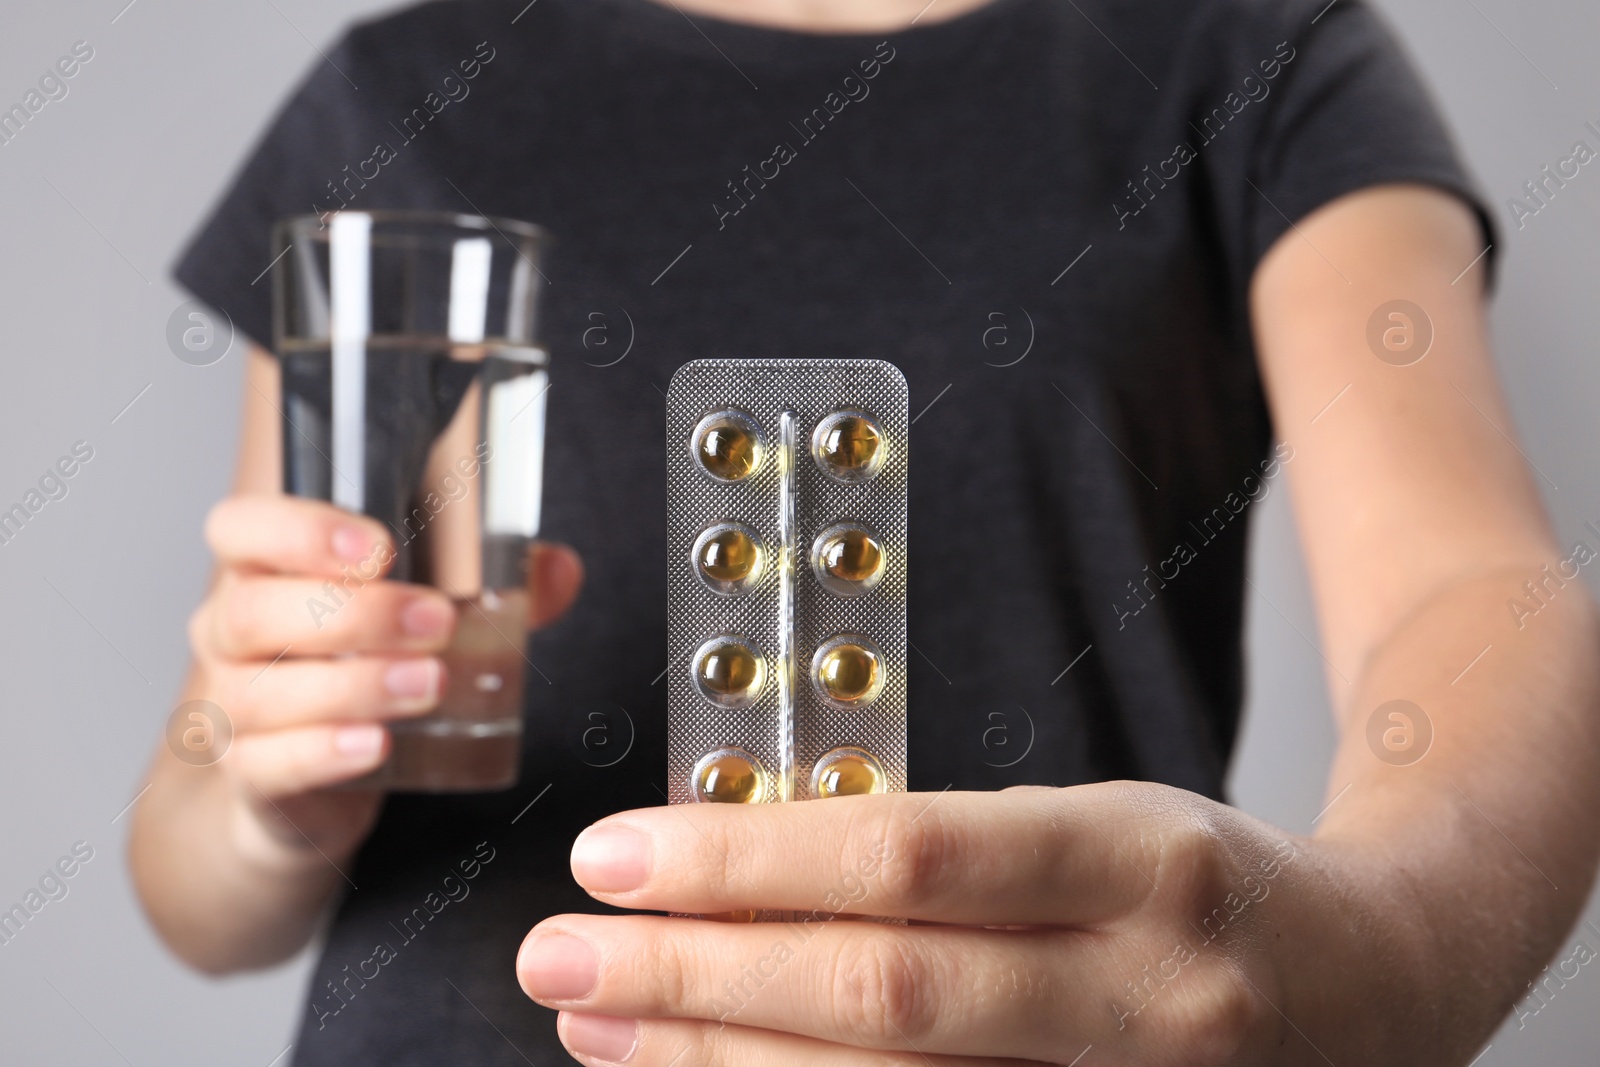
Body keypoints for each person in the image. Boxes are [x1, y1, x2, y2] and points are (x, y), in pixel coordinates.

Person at [130, 0, 1600, 1063]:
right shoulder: (404, 89)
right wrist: (274, 797)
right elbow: (201, 862)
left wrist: (1376, 967)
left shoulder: (1246, 46)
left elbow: (1474, 595)